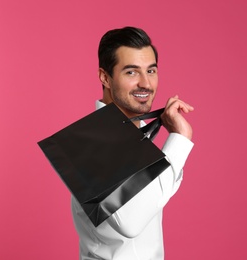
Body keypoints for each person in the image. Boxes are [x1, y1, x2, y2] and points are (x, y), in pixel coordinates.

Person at [71, 26, 194, 260]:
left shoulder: (133, 137)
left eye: (151, 70)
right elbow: (131, 221)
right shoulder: (91, 145)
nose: (146, 83)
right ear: (105, 77)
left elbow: (153, 200)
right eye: (131, 72)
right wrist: (179, 139)